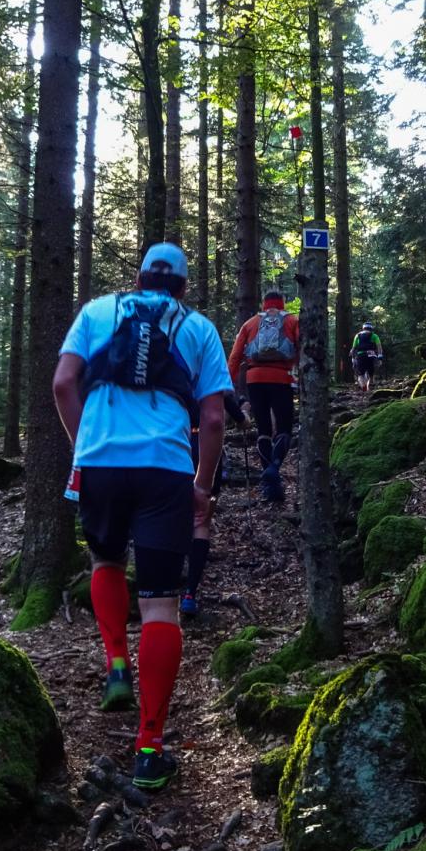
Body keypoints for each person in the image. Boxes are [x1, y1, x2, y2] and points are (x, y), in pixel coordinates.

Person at [52, 243, 231, 792]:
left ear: (139, 277)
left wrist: (84, 447)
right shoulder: (198, 327)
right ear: (183, 285)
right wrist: (202, 486)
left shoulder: (97, 311)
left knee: (105, 560)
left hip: (100, 462)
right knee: (160, 605)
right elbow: (214, 418)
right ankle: (149, 749)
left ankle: (115, 663)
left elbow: (62, 384)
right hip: (165, 469)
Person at [228, 290, 300, 503]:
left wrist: (229, 384)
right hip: (282, 379)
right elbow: (304, 349)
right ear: (282, 303)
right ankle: (274, 467)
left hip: (255, 380)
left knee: (263, 430)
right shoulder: (292, 321)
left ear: (263, 304)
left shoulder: (250, 323)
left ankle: (270, 486)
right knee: (284, 428)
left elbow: (235, 356)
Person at [182, 390, 246, 619]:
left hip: (175, 444)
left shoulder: (171, 374)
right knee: (202, 522)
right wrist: (242, 417)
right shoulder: (208, 377)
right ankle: (190, 593)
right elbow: (230, 408)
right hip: (207, 448)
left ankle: (169, 585)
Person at [352, 322, 384, 392]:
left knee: (361, 374)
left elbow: (353, 348)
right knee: (371, 374)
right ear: (371, 328)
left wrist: (353, 358)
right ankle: (370, 388)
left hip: (360, 355)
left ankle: (364, 388)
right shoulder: (374, 335)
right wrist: (380, 357)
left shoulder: (357, 335)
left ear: (363, 328)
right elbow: (379, 347)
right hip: (371, 355)